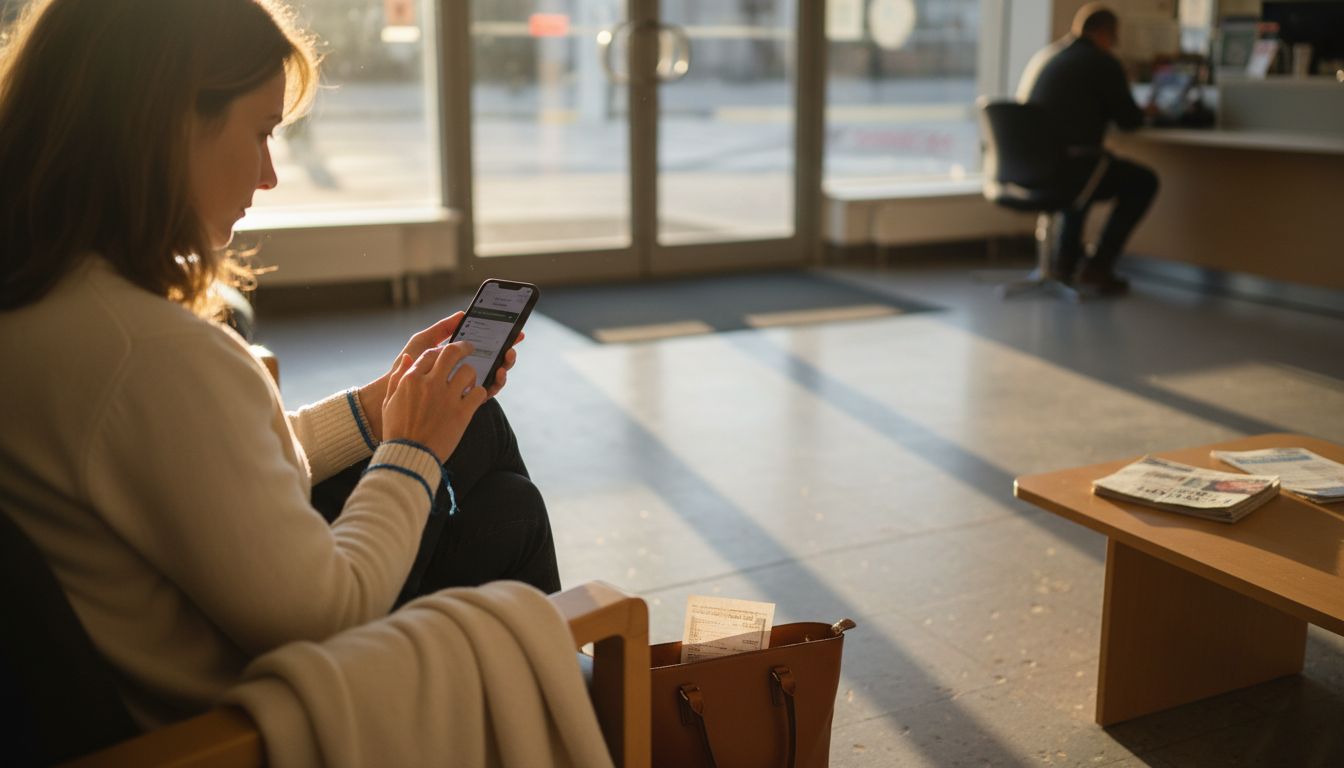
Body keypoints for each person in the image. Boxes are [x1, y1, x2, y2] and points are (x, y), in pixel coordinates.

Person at [0, 0, 558, 729]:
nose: (268, 175)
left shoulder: (52, 298)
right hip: (243, 712)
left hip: (197, 616)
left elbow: (210, 464)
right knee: (507, 512)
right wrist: (411, 447)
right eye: (261, 132)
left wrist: (377, 407)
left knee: (481, 440)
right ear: (165, 128)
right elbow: (325, 613)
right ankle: (558, 703)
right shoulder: (148, 354)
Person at [1016, 3, 1160, 296]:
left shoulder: (1048, 56)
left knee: (1086, 176)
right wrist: (1150, 112)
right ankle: (1098, 266)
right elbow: (1129, 119)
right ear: (1107, 33)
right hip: (1068, 165)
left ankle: (1064, 263)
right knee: (1141, 181)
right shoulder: (1101, 62)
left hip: (1031, 165)